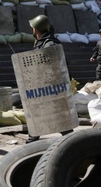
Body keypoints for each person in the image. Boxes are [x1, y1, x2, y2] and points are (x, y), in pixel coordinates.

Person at [25, 15, 73, 143]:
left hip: (50, 86)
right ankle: (33, 139)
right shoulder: (42, 43)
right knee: (45, 114)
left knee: (54, 115)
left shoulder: (49, 44)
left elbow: (54, 66)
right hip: (44, 86)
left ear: (36, 29)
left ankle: (70, 139)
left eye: (33, 28)